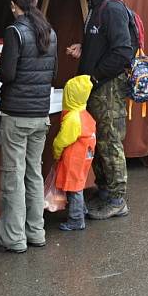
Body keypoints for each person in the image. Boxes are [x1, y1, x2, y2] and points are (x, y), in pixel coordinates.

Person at [66, 0, 134, 220]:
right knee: (97, 140)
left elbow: (123, 53)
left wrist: (94, 77)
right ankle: (105, 191)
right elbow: (104, 45)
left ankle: (117, 198)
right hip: (94, 88)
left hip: (107, 89)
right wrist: (85, 49)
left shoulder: (111, 8)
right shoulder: (95, 7)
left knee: (109, 142)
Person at [0, 0, 57, 253]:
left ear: (13, 5)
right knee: (34, 175)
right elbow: (52, 73)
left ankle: (14, 238)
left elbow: (6, 75)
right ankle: (36, 232)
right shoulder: (50, 32)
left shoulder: (15, 31)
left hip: (16, 115)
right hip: (40, 115)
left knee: (13, 176)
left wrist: (1, 63)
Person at [52, 75, 97, 231]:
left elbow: (62, 140)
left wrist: (56, 152)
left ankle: (76, 219)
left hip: (74, 159)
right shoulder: (85, 114)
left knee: (73, 188)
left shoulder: (72, 118)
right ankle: (81, 210)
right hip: (85, 157)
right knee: (77, 185)